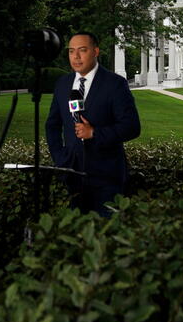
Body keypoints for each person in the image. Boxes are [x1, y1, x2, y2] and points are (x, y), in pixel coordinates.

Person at [45, 32, 141, 217]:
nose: (76, 56)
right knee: (75, 237)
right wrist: (59, 157)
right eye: (71, 51)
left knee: (106, 237)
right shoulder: (63, 84)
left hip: (107, 178)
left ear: (95, 51)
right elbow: (52, 125)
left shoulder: (115, 84)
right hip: (71, 176)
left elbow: (131, 126)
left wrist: (94, 133)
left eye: (82, 50)